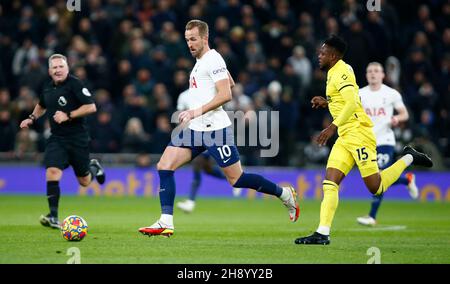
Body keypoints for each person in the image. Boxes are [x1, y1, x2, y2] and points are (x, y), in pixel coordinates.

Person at [138, 20, 299, 237]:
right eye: (187, 40)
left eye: (193, 39)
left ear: (205, 38)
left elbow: (226, 94)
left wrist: (195, 111)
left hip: (215, 130)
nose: (190, 44)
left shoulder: (212, 59)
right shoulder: (203, 61)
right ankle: (166, 221)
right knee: (165, 165)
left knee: (237, 180)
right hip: (196, 130)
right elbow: (229, 82)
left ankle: (284, 193)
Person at [294, 35, 433, 245]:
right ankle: (322, 232)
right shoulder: (334, 71)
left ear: (332, 55)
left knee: (375, 187)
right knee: (330, 182)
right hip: (345, 135)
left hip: (358, 133)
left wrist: (332, 126)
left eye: (322, 53)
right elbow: (347, 99)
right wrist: (327, 101)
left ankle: (409, 158)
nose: (318, 55)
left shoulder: (341, 71)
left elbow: (351, 103)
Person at [19, 54, 106, 229]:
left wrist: (69, 115)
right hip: (57, 138)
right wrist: (32, 117)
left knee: (84, 181)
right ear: (50, 71)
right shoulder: (48, 88)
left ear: (67, 68)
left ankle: (94, 167)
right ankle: (53, 216)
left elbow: (91, 107)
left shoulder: (75, 84)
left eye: (61, 67)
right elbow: (42, 105)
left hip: (77, 138)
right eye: (54, 67)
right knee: (52, 172)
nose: (58, 70)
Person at [357, 62, 419, 226]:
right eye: (370, 71)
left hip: (385, 140)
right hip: (366, 141)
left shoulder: (391, 93)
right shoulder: (359, 94)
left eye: (376, 71)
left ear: (383, 75)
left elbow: (404, 113)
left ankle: (372, 216)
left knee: (378, 176)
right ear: (366, 75)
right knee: (375, 178)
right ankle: (406, 180)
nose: (373, 74)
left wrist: (397, 119)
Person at [175, 89, 242, 214]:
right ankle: (235, 180)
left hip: (211, 131)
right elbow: (181, 116)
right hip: (194, 133)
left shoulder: (210, 91)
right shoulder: (183, 96)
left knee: (198, 164)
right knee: (206, 169)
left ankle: (191, 201)